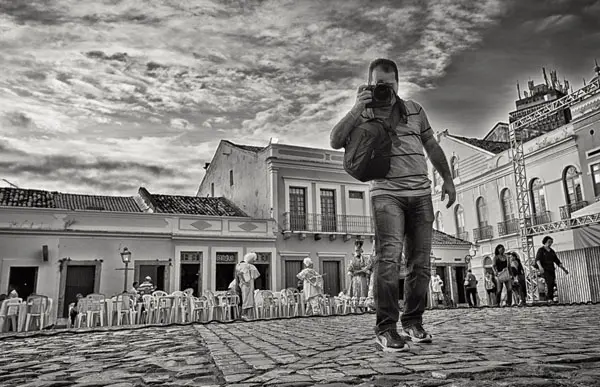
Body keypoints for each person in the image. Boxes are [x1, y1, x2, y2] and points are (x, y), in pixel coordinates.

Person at [330, 58, 456, 352]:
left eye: (388, 83)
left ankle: (413, 322)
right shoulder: (364, 111)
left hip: (421, 194)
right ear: (370, 83)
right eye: (378, 84)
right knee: (387, 261)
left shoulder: (415, 110)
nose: (384, 88)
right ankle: (386, 328)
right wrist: (356, 108)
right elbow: (336, 140)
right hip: (386, 194)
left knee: (421, 264)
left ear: (398, 83)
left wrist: (447, 180)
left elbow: (433, 146)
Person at [536, 236, 569, 304]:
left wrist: (564, 269)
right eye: (549, 242)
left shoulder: (552, 251)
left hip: (551, 269)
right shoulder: (541, 250)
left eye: (551, 242)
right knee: (549, 282)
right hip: (545, 269)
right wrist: (540, 267)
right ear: (545, 242)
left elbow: (557, 261)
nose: (550, 243)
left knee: (552, 283)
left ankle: (550, 298)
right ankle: (549, 298)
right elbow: (537, 260)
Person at [235, 252, 261, 320]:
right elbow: (241, 275)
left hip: (245, 285)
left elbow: (239, 275)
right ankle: (244, 314)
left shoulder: (239, 265)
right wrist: (245, 282)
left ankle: (245, 315)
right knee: (246, 300)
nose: (254, 262)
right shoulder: (248, 266)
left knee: (246, 300)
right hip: (247, 285)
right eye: (253, 260)